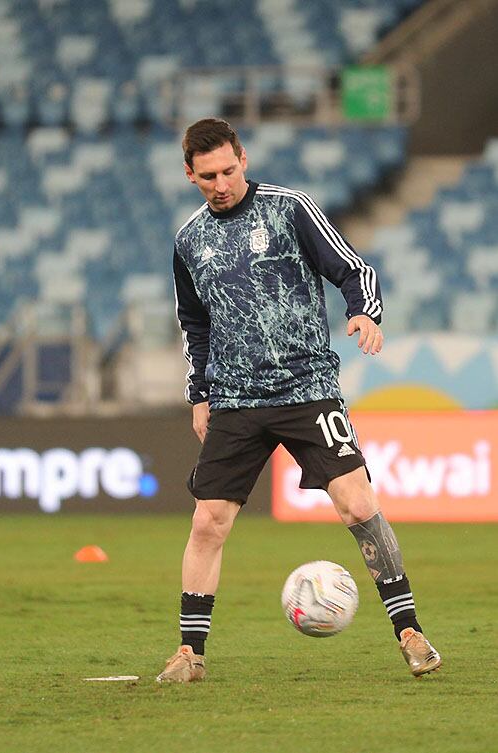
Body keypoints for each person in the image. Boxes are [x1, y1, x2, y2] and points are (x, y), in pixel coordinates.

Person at [158, 118, 441, 682]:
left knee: (358, 505)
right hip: (235, 400)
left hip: (307, 388)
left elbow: (353, 269)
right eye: (208, 175)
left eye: (229, 170)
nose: (221, 183)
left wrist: (364, 311)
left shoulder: (290, 209)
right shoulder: (189, 241)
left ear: (244, 158)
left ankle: (410, 632)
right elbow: (194, 325)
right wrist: (199, 395)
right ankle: (190, 654)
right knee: (208, 522)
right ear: (189, 174)